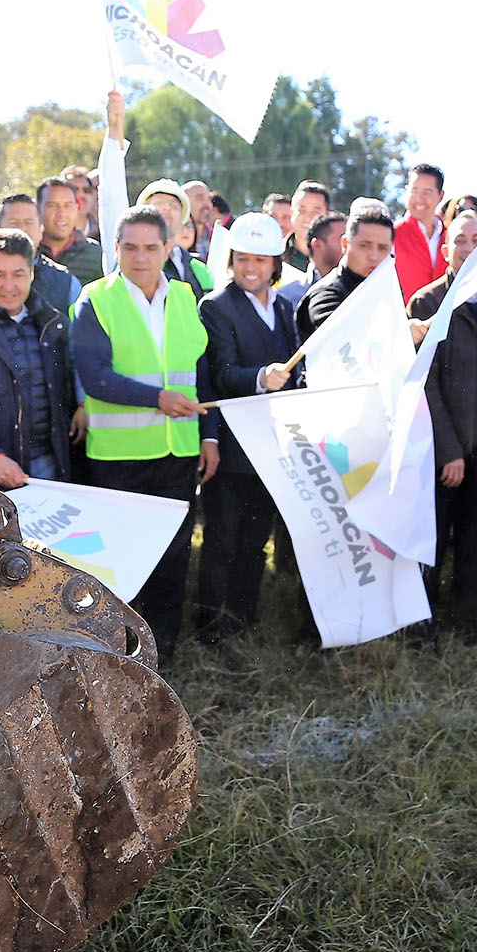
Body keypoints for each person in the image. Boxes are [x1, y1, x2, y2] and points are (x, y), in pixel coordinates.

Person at [70, 204, 207, 662]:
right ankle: (118, 652)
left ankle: (162, 653)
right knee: (121, 564)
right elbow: (95, 377)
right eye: (130, 247)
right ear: (116, 248)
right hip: (118, 459)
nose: (140, 257)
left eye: (151, 248)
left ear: (169, 248)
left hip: (178, 451)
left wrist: (209, 438)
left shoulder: (186, 297)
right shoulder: (96, 299)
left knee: (172, 558)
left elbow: (199, 371)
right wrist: (158, 399)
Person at [409, 213, 477, 645]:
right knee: (431, 542)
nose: (469, 247)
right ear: (445, 248)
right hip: (442, 448)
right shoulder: (426, 302)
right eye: (460, 240)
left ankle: (470, 625)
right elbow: (424, 384)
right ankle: (422, 628)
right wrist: (449, 449)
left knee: (476, 539)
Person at [193, 212, 297, 643]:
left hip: (272, 447)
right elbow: (220, 373)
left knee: (255, 540)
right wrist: (260, 376)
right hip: (233, 446)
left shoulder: (287, 308)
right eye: (243, 258)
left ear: (276, 263)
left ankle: (242, 621)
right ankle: (210, 629)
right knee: (222, 541)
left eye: (261, 259)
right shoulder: (215, 306)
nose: (251, 268)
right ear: (231, 259)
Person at [0, 229, 76, 486]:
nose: (9, 286)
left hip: (47, 465)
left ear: (31, 274)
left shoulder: (52, 323)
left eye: (18, 275)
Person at [298, 207, 395, 344]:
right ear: (345, 244)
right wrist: (399, 335)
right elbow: (345, 340)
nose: (374, 256)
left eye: (382, 248)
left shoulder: (388, 289)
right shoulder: (325, 294)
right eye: (365, 246)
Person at [136, 179, 214, 299]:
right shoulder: (132, 260)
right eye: (159, 203)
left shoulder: (200, 270)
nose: (167, 208)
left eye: (174, 205)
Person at [394, 163, 447, 301]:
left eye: (426, 192)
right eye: (414, 191)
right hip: (405, 319)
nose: (419, 199)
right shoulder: (391, 235)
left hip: (447, 319)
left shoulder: (452, 237)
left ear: (440, 196)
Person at [37, 175, 104, 284]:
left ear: (77, 208)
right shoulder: (29, 251)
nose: (61, 214)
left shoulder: (95, 253)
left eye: (68, 205)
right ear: (38, 208)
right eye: (52, 205)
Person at [277, 211, 347, 312]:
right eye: (341, 239)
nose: (347, 246)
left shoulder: (362, 290)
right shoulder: (286, 297)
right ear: (317, 245)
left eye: (350, 240)